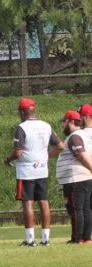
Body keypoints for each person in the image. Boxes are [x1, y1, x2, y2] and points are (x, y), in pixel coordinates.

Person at [5, 98, 64, 247]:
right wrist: (46, 156)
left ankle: (30, 239)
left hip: (26, 171)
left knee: (28, 203)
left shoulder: (22, 127)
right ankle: (45, 239)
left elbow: (18, 153)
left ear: (22, 112)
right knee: (44, 202)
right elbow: (60, 146)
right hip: (42, 169)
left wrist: (7, 160)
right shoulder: (46, 126)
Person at [56, 110, 92, 244]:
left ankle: (77, 238)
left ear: (70, 122)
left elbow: (81, 155)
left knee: (76, 208)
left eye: (63, 122)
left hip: (76, 178)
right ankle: (86, 238)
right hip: (84, 177)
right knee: (86, 208)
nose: (62, 126)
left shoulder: (74, 137)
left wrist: (90, 168)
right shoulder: (84, 135)